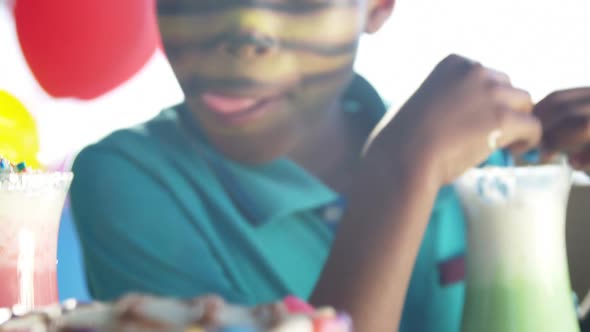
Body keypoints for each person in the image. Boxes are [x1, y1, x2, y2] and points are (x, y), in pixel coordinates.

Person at [69, 0, 590, 331]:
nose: (244, 30)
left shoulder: (484, 164)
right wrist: (398, 170)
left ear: (378, 5)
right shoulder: (130, 181)